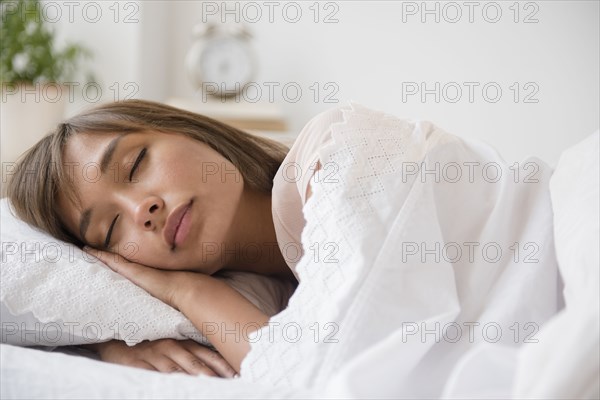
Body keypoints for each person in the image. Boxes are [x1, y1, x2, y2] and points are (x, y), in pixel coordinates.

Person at [5, 99, 341, 378]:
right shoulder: (269, 287)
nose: (142, 210)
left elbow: (317, 382)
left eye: (135, 164)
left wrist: (190, 292)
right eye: (111, 228)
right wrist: (111, 343)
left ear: (186, 130)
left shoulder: (329, 163)